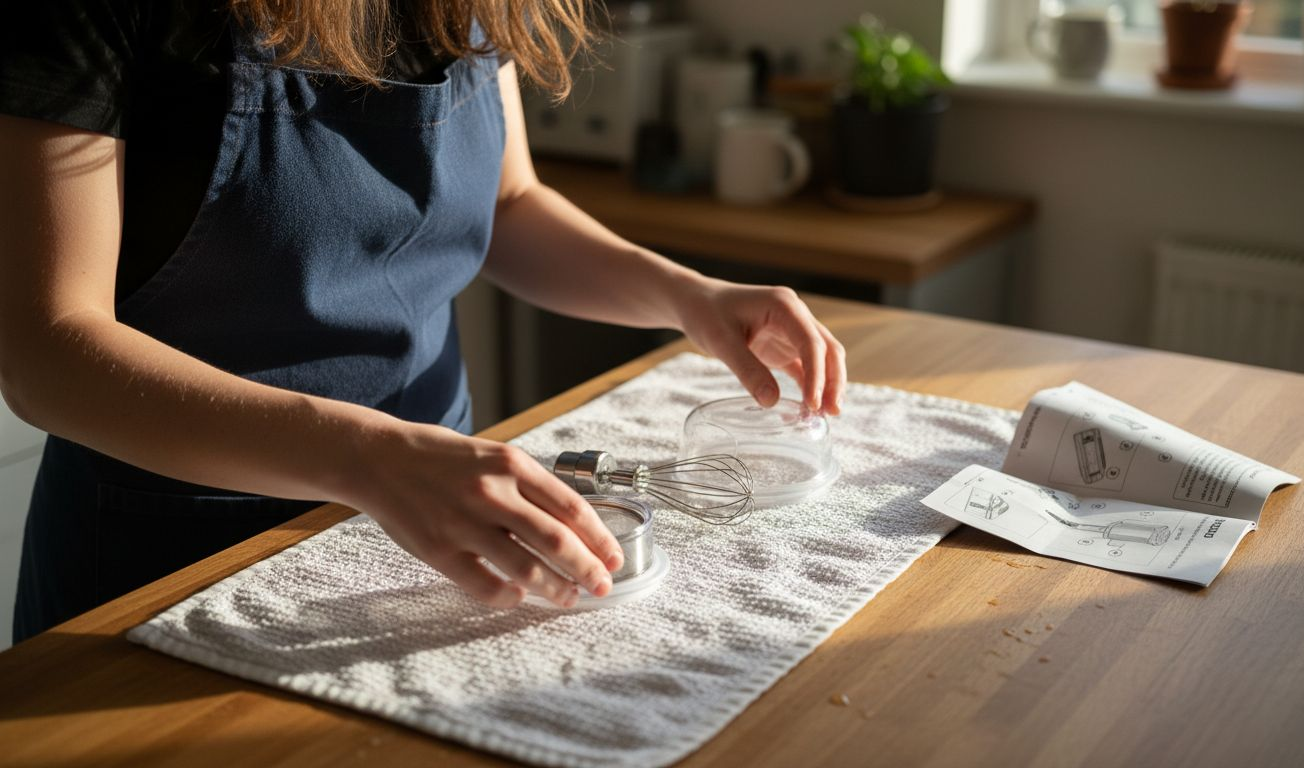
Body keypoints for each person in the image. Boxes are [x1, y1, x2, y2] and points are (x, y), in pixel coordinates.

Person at [0, 0, 847, 644]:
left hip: (450, 527)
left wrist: (685, 295)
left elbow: (509, 206)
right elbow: (46, 350)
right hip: (174, 556)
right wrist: (371, 457)